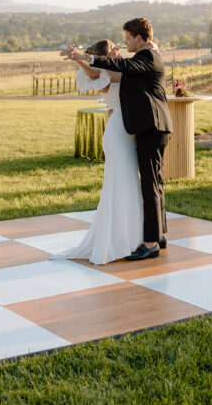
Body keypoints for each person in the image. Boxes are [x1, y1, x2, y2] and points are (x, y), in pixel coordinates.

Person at [65, 17, 172, 261]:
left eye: (125, 38)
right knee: (152, 182)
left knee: (149, 184)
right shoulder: (138, 59)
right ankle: (158, 235)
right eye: (118, 43)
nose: (122, 44)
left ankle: (151, 242)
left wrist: (85, 57)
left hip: (149, 127)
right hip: (138, 127)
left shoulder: (146, 57)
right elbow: (104, 77)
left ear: (138, 37)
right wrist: (83, 60)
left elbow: (121, 71)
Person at [56, 40, 143, 265]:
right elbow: (98, 77)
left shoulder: (117, 69)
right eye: (114, 47)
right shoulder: (109, 72)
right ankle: (118, 240)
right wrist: (81, 61)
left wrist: (81, 59)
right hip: (117, 132)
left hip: (127, 130)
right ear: (107, 54)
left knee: (130, 183)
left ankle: (133, 236)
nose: (118, 49)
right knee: (119, 183)